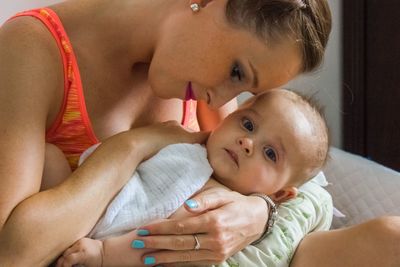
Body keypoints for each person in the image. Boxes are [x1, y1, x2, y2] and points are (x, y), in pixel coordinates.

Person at [1, 0, 392, 267]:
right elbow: (10, 252)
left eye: (243, 91)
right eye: (237, 72)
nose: (223, 98)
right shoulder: (32, 50)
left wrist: (262, 212)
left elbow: (287, 180)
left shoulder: (201, 81)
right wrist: (131, 147)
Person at [53, 89, 330, 267]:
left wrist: (105, 254)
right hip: (81, 207)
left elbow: (164, 242)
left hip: (108, 248)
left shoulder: (221, 206)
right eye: (248, 124)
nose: (247, 142)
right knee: (49, 159)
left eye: (270, 153)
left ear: (279, 194)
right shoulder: (184, 142)